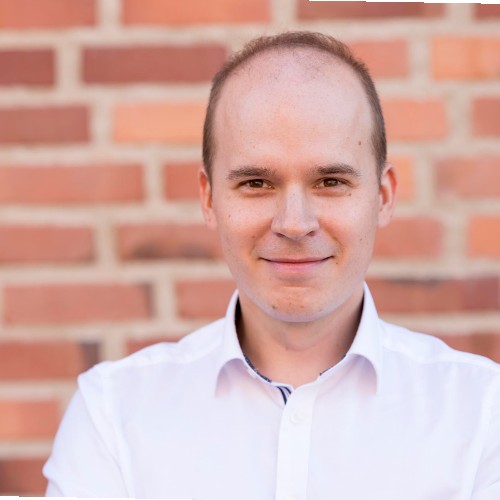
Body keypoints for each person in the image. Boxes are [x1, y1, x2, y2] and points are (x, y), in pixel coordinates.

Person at [44, 31, 500, 500]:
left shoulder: (482, 416)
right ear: (209, 198)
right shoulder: (114, 417)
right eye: (257, 183)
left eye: (330, 181)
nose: (295, 224)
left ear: (382, 197)